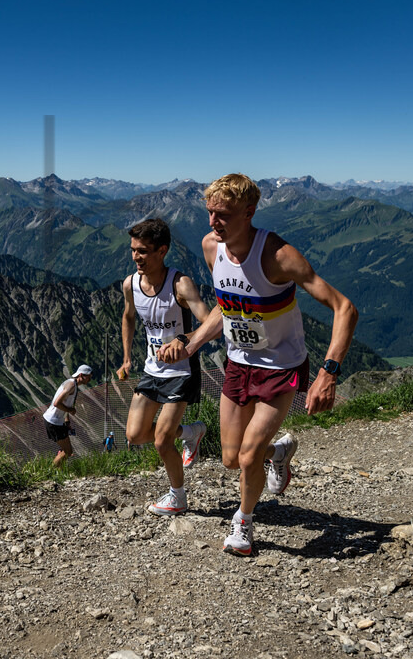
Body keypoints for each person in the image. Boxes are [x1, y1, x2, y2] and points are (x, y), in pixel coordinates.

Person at [159, 173, 357, 557]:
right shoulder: (211, 247)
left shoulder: (278, 256)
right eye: (210, 212)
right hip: (238, 364)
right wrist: (191, 342)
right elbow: (226, 308)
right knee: (232, 458)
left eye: (223, 215)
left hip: (282, 367)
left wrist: (328, 373)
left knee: (248, 456)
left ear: (249, 212)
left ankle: (243, 521)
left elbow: (344, 308)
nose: (213, 222)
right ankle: (277, 453)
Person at [118, 218, 211, 516]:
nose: (136, 257)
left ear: (162, 251)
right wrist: (127, 358)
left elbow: (211, 322)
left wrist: (183, 340)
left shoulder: (180, 285)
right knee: (134, 435)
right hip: (152, 369)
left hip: (181, 372)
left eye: (143, 251)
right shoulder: (131, 284)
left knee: (161, 441)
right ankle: (190, 433)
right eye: (133, 250)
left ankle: (177, 497)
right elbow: (129, 316)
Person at [42, 364, 93, 467]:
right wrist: (70, 410)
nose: (90, 379)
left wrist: (67, 421)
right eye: (88, 377)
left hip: (57, 421)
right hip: (53, 421)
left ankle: (56, 470)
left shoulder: (72, 384)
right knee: (67, 451)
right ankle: (50, 471)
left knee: (67, 451)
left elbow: (64, 404)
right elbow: (57, 403)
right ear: (81, 375)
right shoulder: (71, 385)